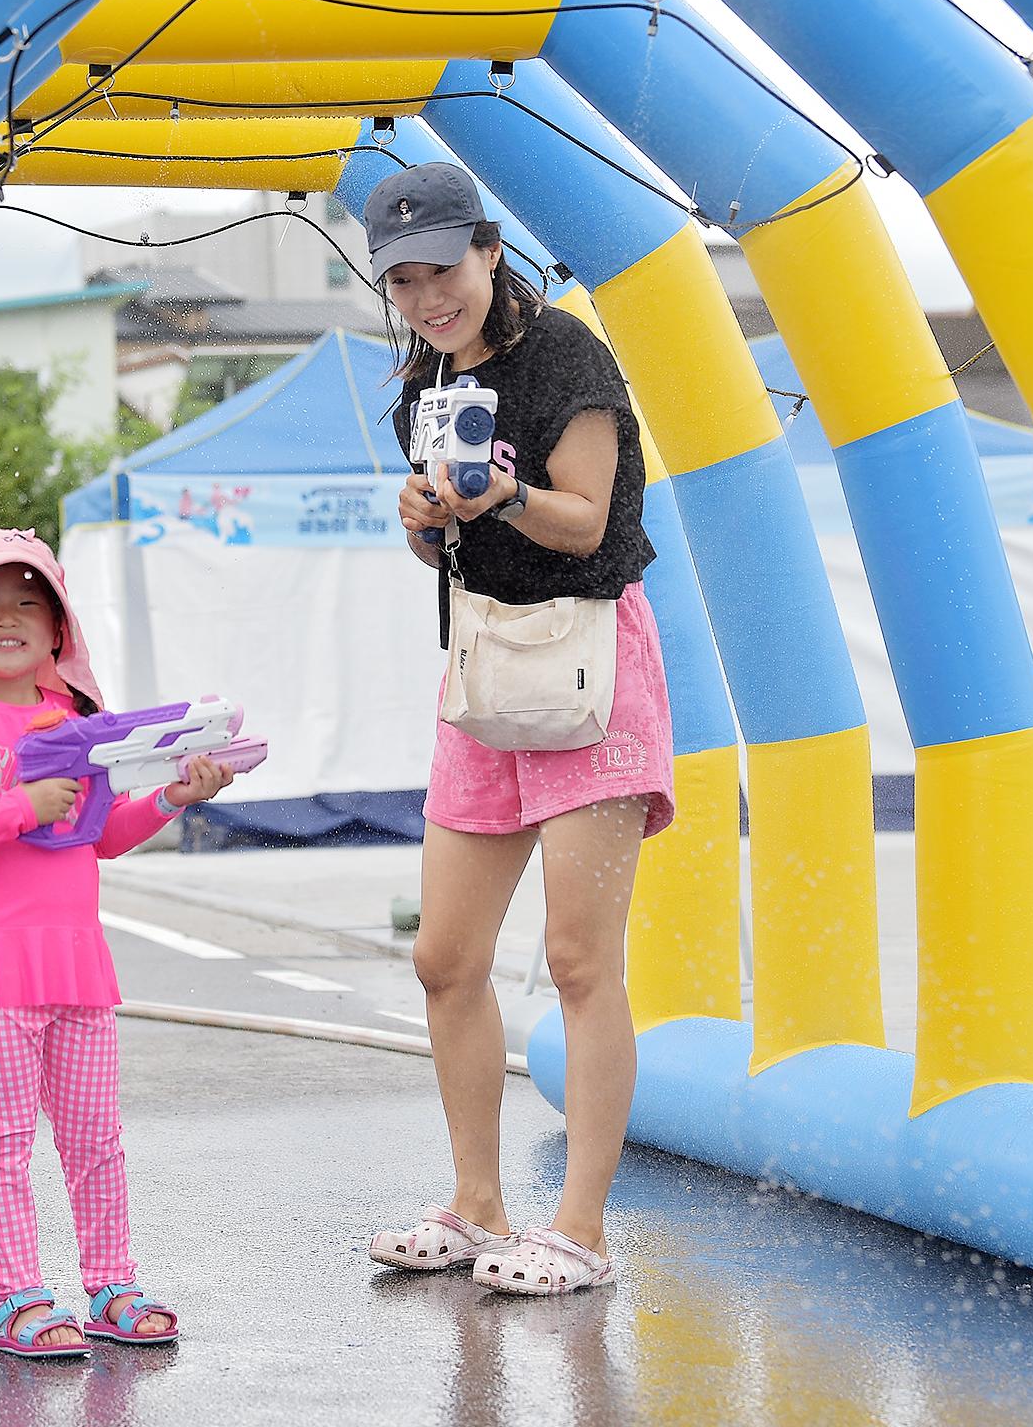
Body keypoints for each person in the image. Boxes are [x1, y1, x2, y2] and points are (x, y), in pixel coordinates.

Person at [362, 163, 674, 1296]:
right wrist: (423, 517)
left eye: (440, 269)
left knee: (580, 959)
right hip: (485, 673)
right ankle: (477, 1202)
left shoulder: (568, 358)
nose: (426, 296)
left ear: (489, 249)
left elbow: (588, 519)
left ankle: (580, 1228)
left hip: (586, 665)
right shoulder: (425, 381)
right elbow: (450, 548)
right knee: (444, 956)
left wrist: (503, 496)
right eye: (401, 280)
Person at [0, 528, 237, 1361]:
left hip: (79, 967)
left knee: (95, 1141)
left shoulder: (77, 722)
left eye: (27, 602)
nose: (7, 617)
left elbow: (98, 835)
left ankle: (111, 1286)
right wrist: (20, 805)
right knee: (2, 1143)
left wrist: (171, 798)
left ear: (58, 632)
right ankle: (17, 1298)